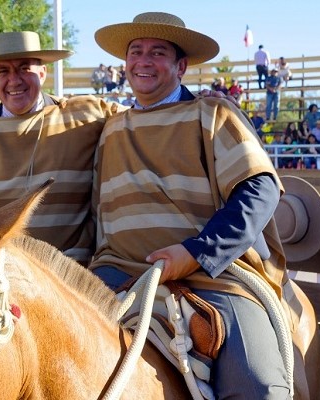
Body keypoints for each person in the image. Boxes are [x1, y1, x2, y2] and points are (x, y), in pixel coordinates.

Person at [92, 12, 291, 398]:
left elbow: (260, 189)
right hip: (116, 274)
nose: (144, 61)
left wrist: (195, 253)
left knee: (260, 387)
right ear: (125, 64)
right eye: (136, 51)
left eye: (158, 52)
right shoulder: (110, 129)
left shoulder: (213, 114)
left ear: (181, 66)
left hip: (211, 276)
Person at [0, 31, 124, 264]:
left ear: (42, 72)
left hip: (69, 274)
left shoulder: (86, 115)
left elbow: (144, 117)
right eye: (3, 71)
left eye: (24, 68)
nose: (14, 80)